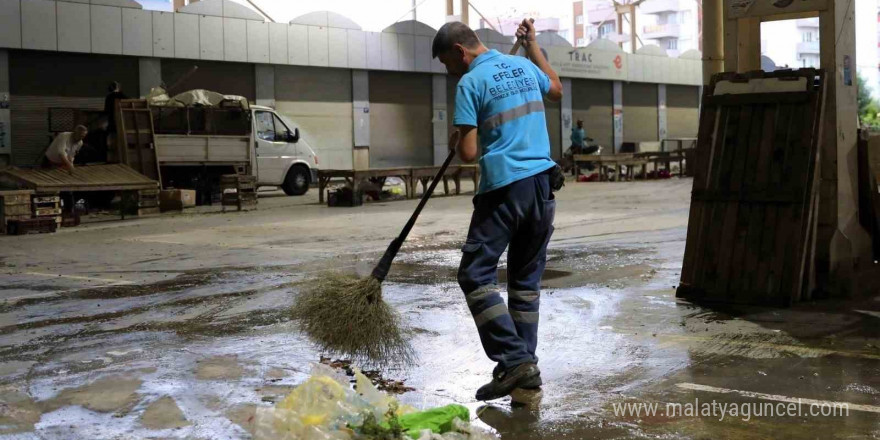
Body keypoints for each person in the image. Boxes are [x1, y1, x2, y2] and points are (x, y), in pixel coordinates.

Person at [433, 19, 563, 401]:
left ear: (460, 51)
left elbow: (470, 153)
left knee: (474, 275)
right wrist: (534, 46)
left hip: (504, 188)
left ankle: (513, 358)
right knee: (524, 284)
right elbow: (555, 89)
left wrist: (459, 138)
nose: (448, 70)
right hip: (542, 185)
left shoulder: (470, 83)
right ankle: (524, 368)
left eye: (446, 62)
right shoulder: (525, 66)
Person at [104, 81, 128, 152]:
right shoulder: (124, 96)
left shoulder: (109, 97)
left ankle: (110, 151)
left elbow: (106, 111)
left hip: (112, 123)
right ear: (118, 87)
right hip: (124, 123)